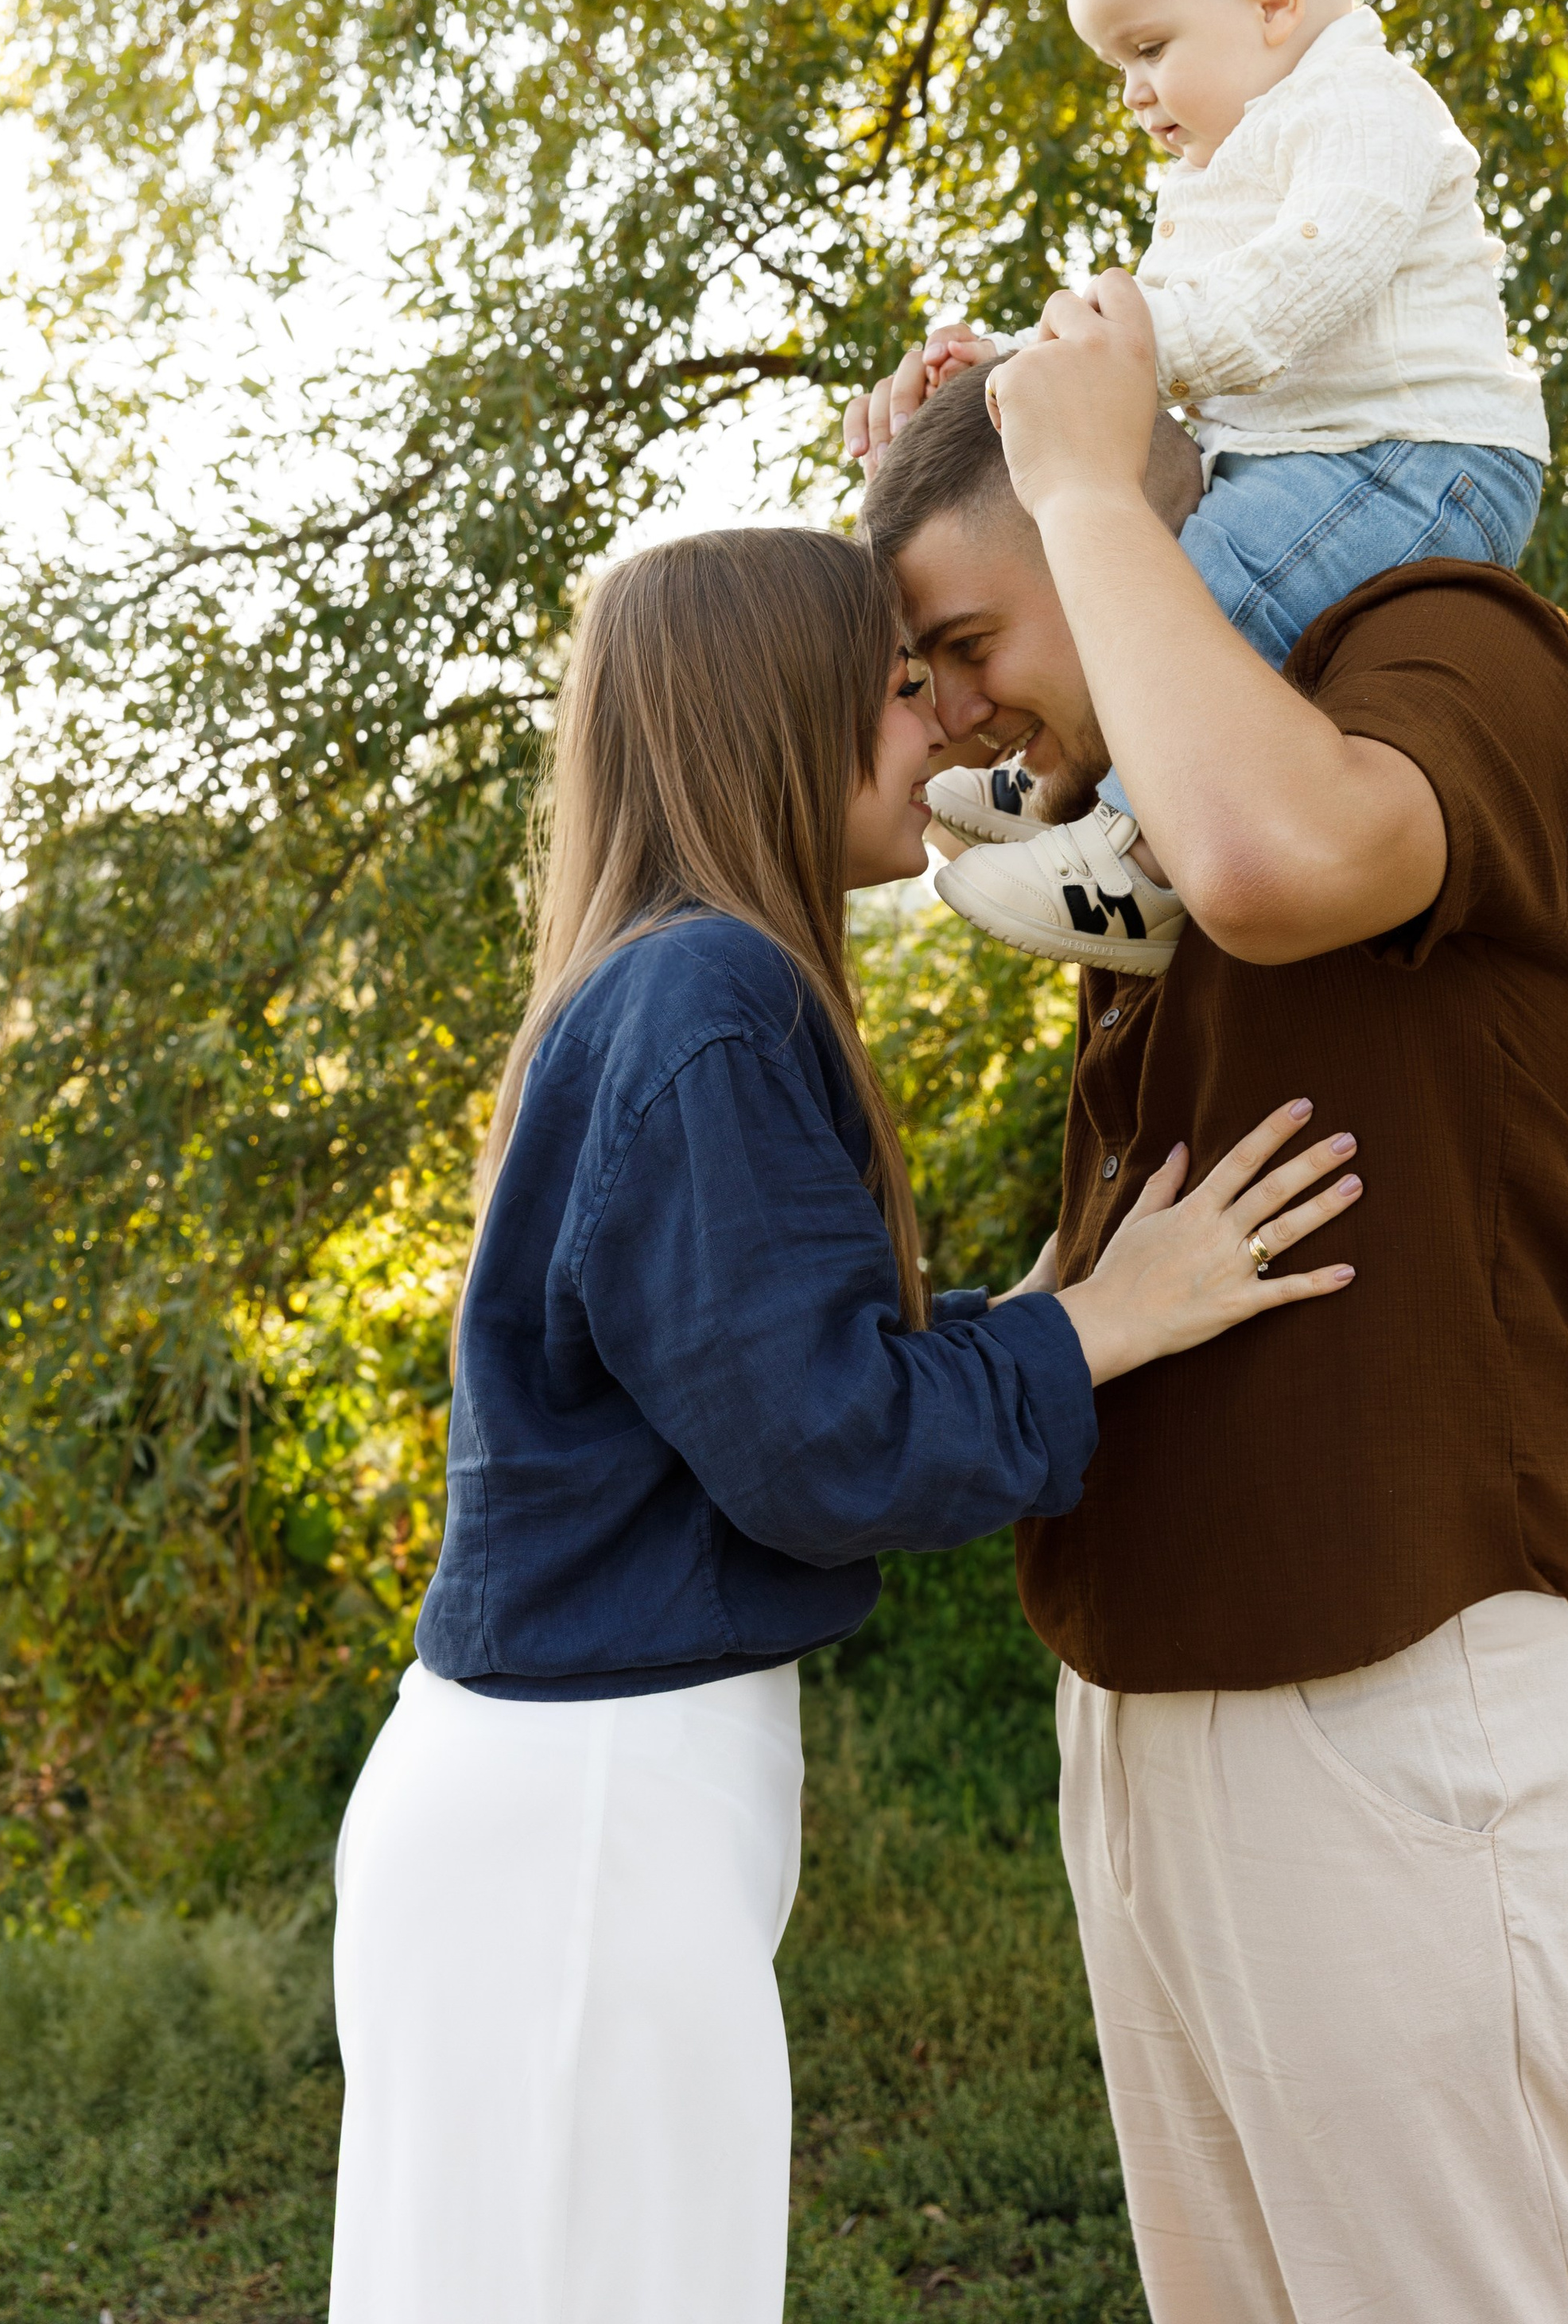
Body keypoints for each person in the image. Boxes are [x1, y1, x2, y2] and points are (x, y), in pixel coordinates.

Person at [327, 525, 1364, 2324]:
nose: (941, 739)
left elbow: (756, 1376)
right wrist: (1099, 1325)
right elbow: (824, 1448)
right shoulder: (708, 997)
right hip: (586, 1812)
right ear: (775, 720)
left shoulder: (664, 978)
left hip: (570, 1787)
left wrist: (1054, 1318)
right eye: (897, 693)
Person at [854, 295, 1568, 2324]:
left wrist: (1064, 479)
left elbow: (1276, 855)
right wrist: (929, 506)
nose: (951, 712)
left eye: (965, 650)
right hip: (1148, 1686)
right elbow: (912, 818)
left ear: (1112, 517)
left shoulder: (1434, 643)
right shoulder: (1132, 787)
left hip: (1385, 1678)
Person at [902, 0, 1549, 977]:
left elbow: (1296, 289)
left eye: (1149, 49)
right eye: (1120, 67)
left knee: (1194, 601)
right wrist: (1009, 365)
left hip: (1413, 457)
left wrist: (1105, 361)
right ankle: (1072, 782)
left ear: (1271, 0)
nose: (1136, 93)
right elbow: (1152, 332)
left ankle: (1136, 870)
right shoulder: (1223, 162)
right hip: (1324, 457)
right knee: (1162, 583)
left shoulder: (1363, 112)